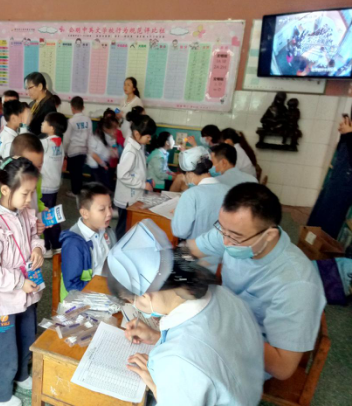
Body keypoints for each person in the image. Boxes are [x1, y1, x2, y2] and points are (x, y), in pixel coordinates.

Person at [106, 219, 264, 405]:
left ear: (145, 296)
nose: (135, 307)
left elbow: (193, 356)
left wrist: (158, 389)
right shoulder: (221, 294)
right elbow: (212, 351)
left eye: (132, 301)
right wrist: (158, 337)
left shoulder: (180, 360)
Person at [187, 183, 326, 380]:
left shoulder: (297, 285)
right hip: (222, 319)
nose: (225, 242)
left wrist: (223, 327)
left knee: (184, 370)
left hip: (250, 354)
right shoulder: (233, 231)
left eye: (234, 237)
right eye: (222, 229)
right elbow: (190, 250)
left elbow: (283, 367)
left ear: (269, 235)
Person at [0, 156, 45, 406]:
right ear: (5, 190)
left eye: (32, 193)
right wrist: (18, 282)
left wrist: (37, 248)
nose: (29, 199)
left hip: (27, 291)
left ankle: (21, 373)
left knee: (27, 334)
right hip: (4, 296)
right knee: (3, 346)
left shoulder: (24, 212)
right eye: (25, 193)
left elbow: (34, 234)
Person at [59, 183, 116, 300]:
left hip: (105, 292)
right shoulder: (74, 244)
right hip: (81, 300)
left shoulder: (108, 232)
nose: (109, 213)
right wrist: (104, 288)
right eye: (102, 209)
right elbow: (73, 287)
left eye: (110, 207)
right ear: (85, 213)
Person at [308, 112, 352, 238]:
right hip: (336, 181)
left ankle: (319, 247)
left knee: (330, 221)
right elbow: (341, 151)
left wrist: (349, 134)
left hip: (345, 186)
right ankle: (310, 243)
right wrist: (345, 135)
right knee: (319, 217)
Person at [172, 147, 230, 240]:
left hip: (197, 247)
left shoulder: (190, 195)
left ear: (189, 173)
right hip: (223, 246)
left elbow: (180, 231)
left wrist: (178, 215)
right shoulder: (229, 190)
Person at [114, 115, 156, 240]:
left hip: (133, 196)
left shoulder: (139, 146)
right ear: (137, 134)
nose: (149, 139)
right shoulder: (130, 151)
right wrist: (143, 184)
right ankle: (117, 248)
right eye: (148, 136)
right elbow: (122, 175)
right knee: (123, 228)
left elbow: (138, 169)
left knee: (129, 226)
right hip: (126, 199)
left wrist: (147, 180)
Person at [39, 112, 67, 258]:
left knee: (43, 216)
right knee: (49, 214)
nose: (42, 124)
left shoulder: (45, 143)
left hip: (44, 186)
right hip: (54, 185)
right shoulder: (59, 143)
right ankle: (56, 244)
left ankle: (48, 247)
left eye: (44, 122)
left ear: (51, 127)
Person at [87, 115, 118, 190]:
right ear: (106, 128)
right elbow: (93, 154)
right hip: (97, 164)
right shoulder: (95, 138)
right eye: (114, 128)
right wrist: (103, 165)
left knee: (100, 184)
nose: (116, 130)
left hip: (104, 163)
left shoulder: (109, 136)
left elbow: (112, 148)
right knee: (99, 184)